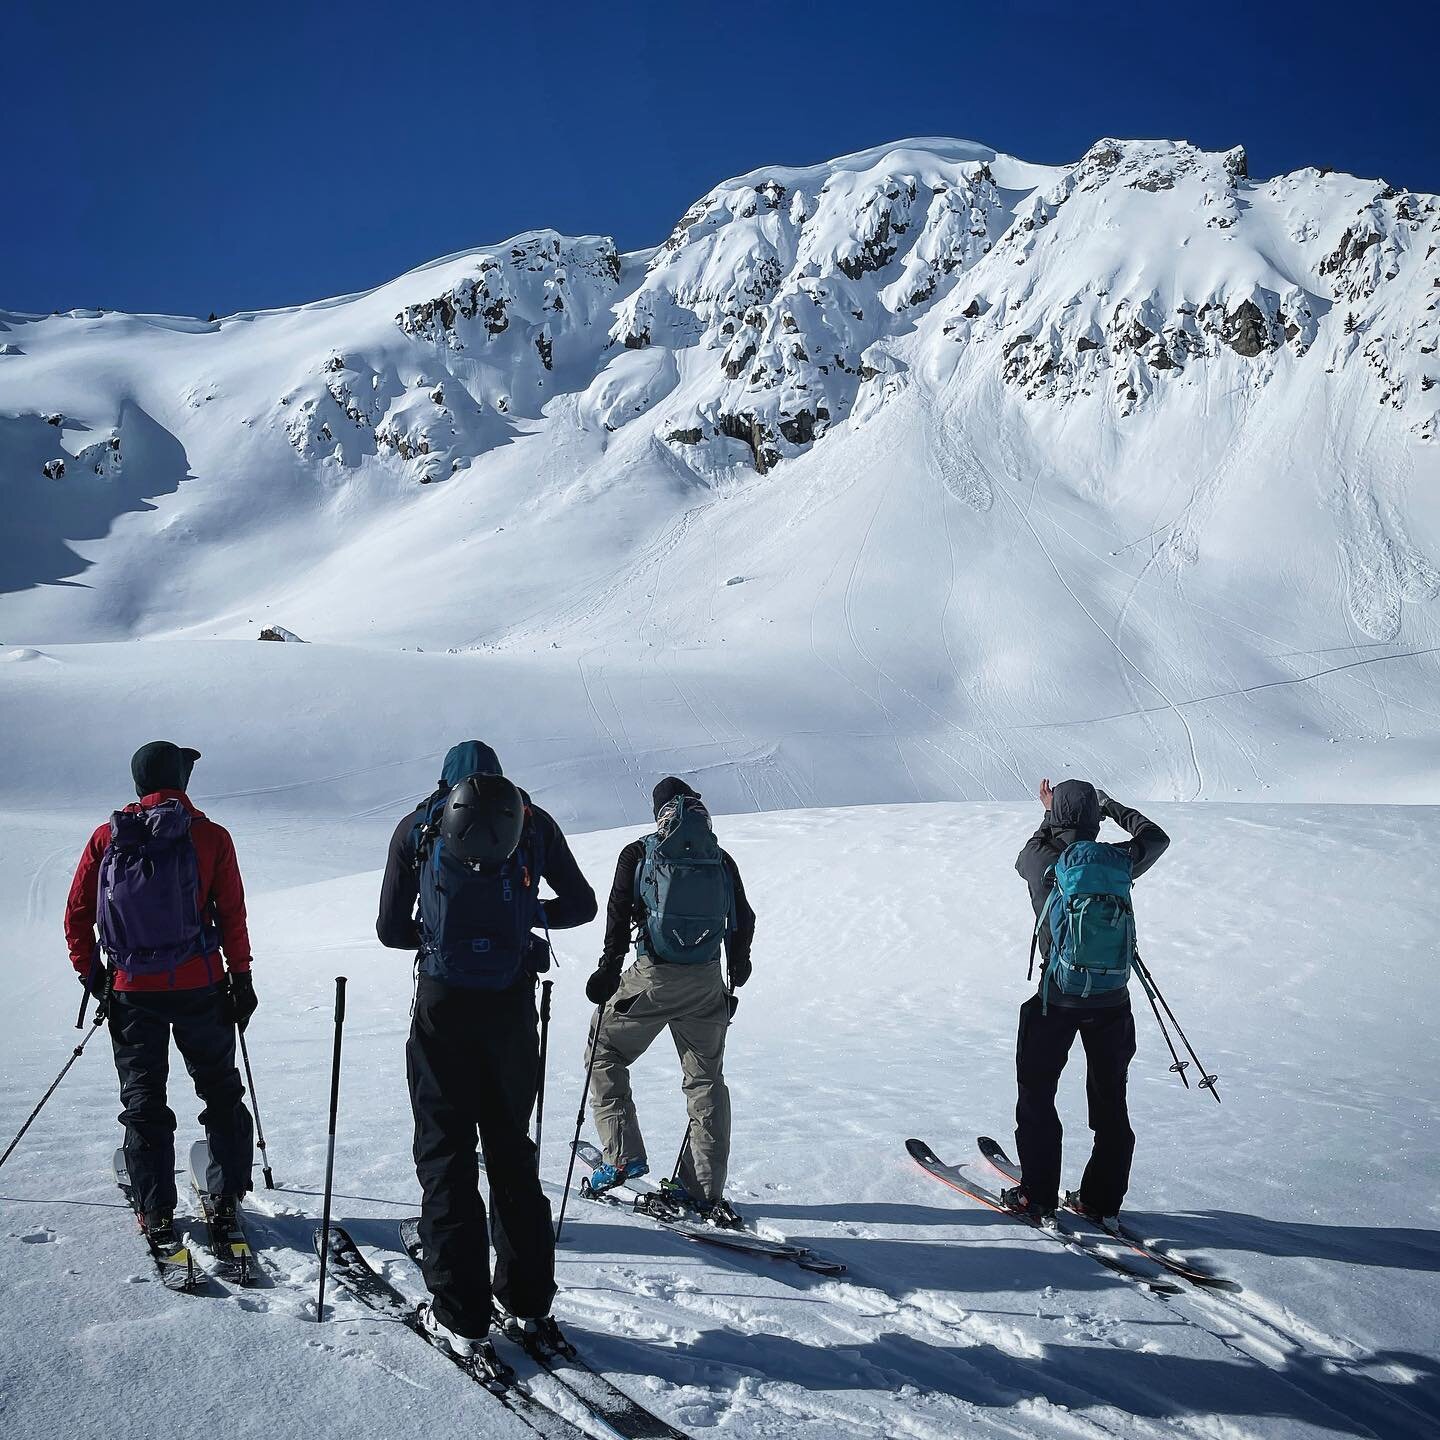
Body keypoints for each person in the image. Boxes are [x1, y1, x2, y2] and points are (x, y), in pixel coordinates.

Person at [377, 740, 596, 1375]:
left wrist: (442, 934)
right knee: (510, 1152)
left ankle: (461, 1318)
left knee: (446, 1156)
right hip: (510, 1006)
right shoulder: (532, 819)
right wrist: (521, 917)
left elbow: (392, 930)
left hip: (443, 1008)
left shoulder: (418, 824)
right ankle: (528, 1304)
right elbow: (579, 906)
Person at [63, 741, 256, 1256]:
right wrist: (242, 978)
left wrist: (93, 975)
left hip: (131, 991)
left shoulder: (108, 837)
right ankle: (226, 1195)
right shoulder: (211, 836)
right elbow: (232, 914)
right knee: (219, 1089)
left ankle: (155, 1209)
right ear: (181, 779)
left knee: (145, 1100)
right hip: (201, 985)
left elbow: (77, 915)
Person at [582, 777, 756, 1228]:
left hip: (652, 978)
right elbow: (744, 917)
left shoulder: (640, 853)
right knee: (706, 1082)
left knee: (605, 1053)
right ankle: (702, 1188)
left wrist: (607, 969)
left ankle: (621, 1155)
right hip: (706, 982)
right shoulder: (720, 858)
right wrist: (737, 972)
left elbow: (619, 915)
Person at [1006, 777, 1170, 1224]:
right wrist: (1110, 806)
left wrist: (1049, 812)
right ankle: (1100, 1200)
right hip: (1112, 999)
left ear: (1055, 814)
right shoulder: (1116, 860)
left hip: (1055, 1001)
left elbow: (1025, 856)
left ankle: (1036, 1196)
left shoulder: (1042, 858)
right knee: (1110, 1100)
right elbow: (1157, 838)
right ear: (1096, 819)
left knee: (1037, 1096)